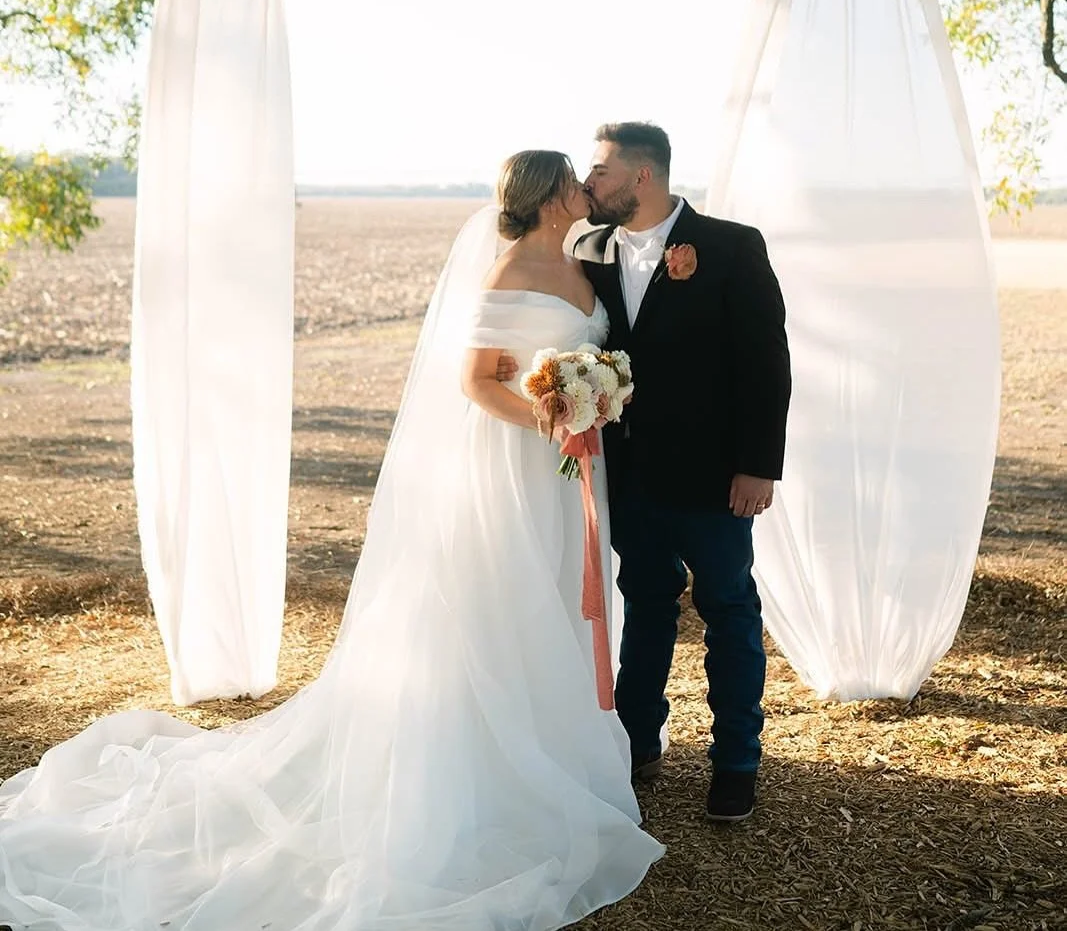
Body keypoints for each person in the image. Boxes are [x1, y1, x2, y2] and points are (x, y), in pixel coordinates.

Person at [0, 150, 663, 931]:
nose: (584, 187)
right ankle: (482, 755)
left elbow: (584, 353)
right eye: (572, 179)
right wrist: (549, 416)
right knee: (502, 597)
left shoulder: (582, 262)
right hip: (510, 466)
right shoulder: (505, 272)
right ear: (548, 196)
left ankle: (554, 745)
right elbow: (476, 380)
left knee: (553, 593)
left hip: (566, 472)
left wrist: (591, 400)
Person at [500, 123, 791, 823]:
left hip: (715, 477)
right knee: (644, 606)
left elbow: (765, 363)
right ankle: (634, 746)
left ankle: (736, 762)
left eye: (599, 171)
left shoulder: (730, 246)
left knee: (728, 609)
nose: (587, 182)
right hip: (626, 477)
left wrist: (758, 466)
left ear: (642, 176)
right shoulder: (589, 252)